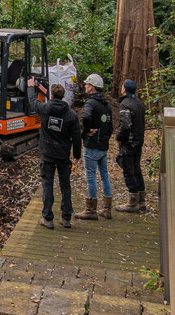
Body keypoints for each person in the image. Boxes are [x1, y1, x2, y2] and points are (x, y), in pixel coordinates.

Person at [28, 77, 82, 229]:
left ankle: (47, 218)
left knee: (47, 185)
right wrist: (76, 156)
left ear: (51, 96)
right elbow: (77, 137)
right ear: (63, 96)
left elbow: (32, 101)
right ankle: (66, 218)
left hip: (47, 154)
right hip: (63, 155)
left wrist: (31, 87)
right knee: (65, 186)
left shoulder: (45, 109)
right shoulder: (71, 115)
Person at [75, 73, 113, 220]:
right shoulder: (106, 103)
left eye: (87, 84)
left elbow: (85, 117)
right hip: (103, 145)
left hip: (92, 146)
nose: (85, 86)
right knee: (104, 176)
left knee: (90, 176)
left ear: (91, 87)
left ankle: (91, 210)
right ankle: (107, 209)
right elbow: (110, 125)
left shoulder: (91, 103)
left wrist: (85, 132)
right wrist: (105, 138)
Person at [115, 78, 147, 213]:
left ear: (124, 89)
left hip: (128, 143)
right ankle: (141, 200)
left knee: (129, 171)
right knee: (136, 169)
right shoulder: (139, 104)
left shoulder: (125, 104)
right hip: (138, 142)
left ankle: (132, 202)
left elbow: (126, 124)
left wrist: (119, 137)